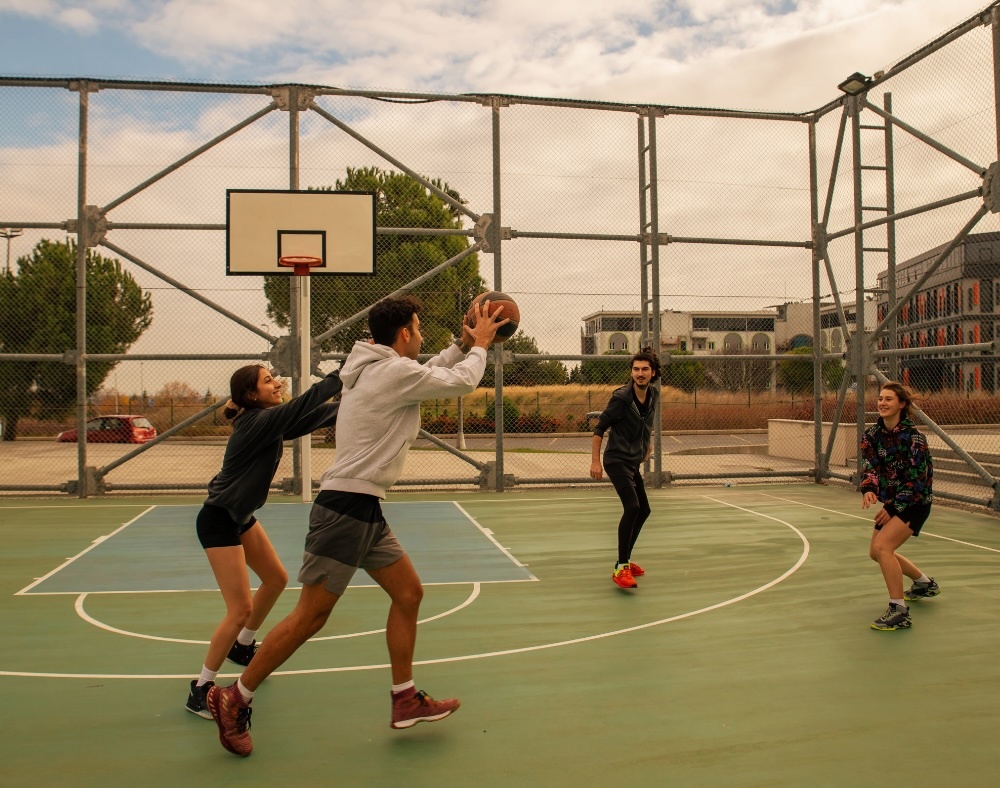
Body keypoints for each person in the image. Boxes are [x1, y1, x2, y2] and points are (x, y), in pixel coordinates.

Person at [207, 294, 509, 757]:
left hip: (364, 508)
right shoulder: (391, 373)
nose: (421, 335)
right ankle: (235, 696)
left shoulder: (382, 367)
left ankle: (405, 697)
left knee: (409, 593)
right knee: (311, 615)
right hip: (345, 509)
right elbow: (459, 381)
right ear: (405, 333)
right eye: (418, 328)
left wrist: (460, 342)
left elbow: (432, 370)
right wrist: (481, 346)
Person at [185, 364, 342, 718]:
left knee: (276, 579)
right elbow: (304, 406)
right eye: (268, 381)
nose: (277, 383)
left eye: (275, 378)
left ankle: (242, 648)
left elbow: (316, 416)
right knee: (239, 609)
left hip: (240, 518)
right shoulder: (256, 422)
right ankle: (201, 688)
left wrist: (363, 401)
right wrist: (341, 375)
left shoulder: (268, 422)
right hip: (219, 520)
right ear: (251, 395)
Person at [860, 381, 938, 631]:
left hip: (915, 503)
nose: (882, 403)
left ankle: (899, 610)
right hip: (894, 503)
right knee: (876, 553)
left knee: (883, 547)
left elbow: (917, 481)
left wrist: (893, 508)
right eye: (880, 398)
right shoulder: (871, 436)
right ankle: (924, 584)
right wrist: (870, 489)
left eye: (889, 399)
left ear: (902, 404)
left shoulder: (915, 439)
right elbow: (870, 466)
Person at [590, 349, 661, 590]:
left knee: (645, 510)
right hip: (616, 460)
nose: (640, 374)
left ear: (653, 373)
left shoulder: (654, 394)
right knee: (632, 506)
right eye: (636, 369)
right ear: (631, 372)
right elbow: (599, 429)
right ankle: (621, 567)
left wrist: (647, 443)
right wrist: (595, 462)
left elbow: (647, 422)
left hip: (631, 461)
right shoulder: (622, 398)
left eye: (644, 369)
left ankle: (625, 562)